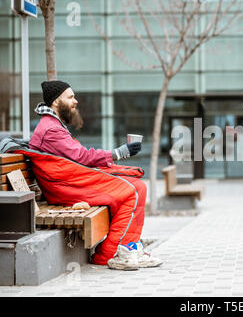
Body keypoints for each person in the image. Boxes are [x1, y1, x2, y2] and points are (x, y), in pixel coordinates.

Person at [29, 80, 162, 270]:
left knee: (137, 187)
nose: (76, 101)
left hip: (69, 182)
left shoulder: (53, 125)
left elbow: (77, 158)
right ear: (57, 101)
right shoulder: (51, 129)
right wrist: (119, 152)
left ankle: (129, 248)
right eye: (71, 97)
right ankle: (113, 253)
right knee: (133, 190)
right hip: (67, 187)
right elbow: (82, 156)